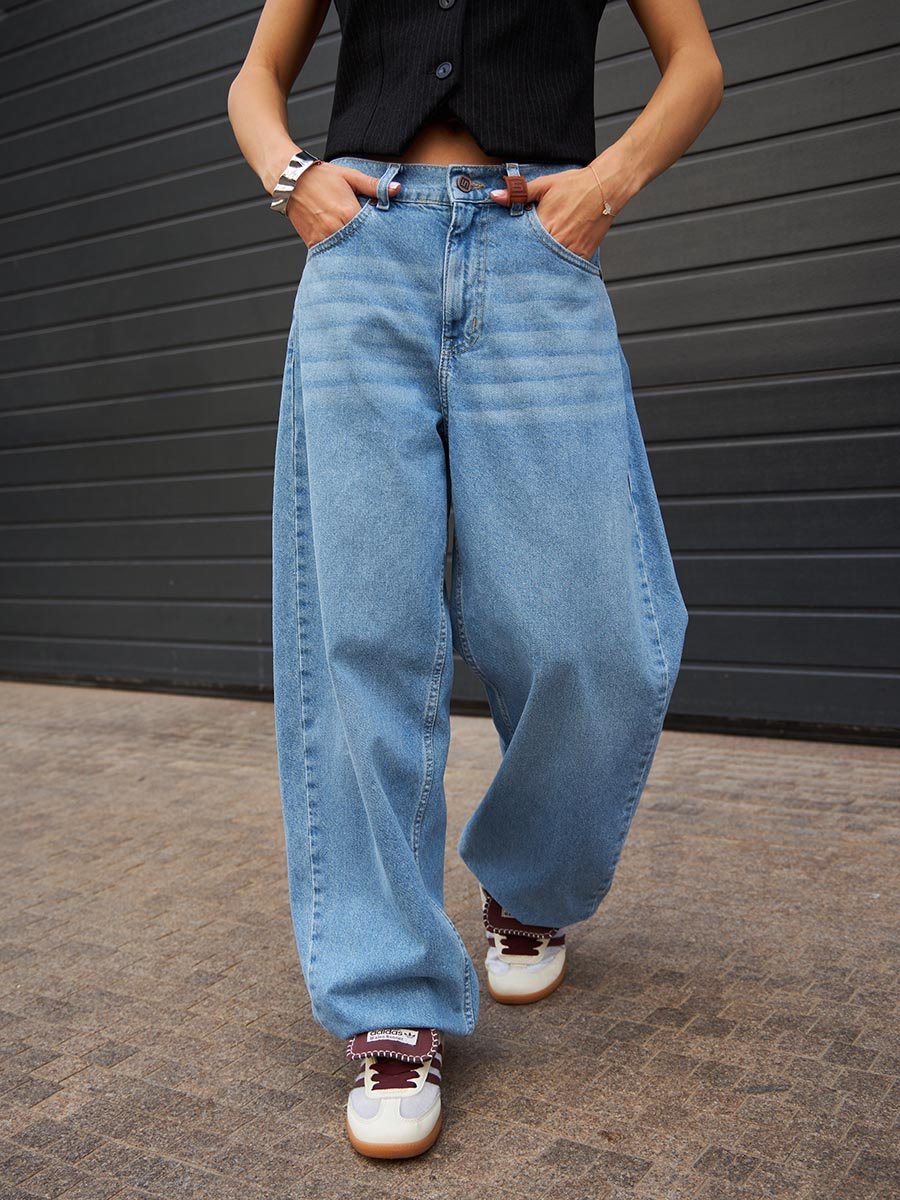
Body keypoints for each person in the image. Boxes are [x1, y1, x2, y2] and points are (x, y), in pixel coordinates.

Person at [228, 0, 723, 1160]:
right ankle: (389, 996)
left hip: (537, 249)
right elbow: (255, 77)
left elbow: (696, 65)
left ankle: (529, 883)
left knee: (597, 634)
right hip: (363, 252)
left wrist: (605, 188)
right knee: (363, 636)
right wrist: (294, 180)